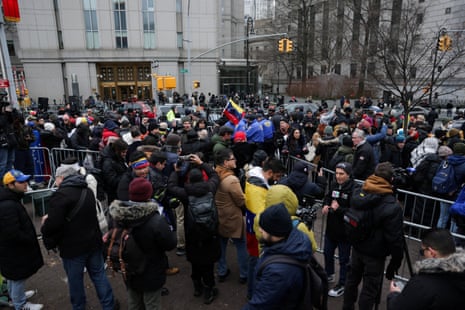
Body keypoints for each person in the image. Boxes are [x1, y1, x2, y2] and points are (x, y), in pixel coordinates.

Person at [41, 166, 115, 310]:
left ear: (61, 178)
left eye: (56, 177)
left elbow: (53, 224)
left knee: (75, 282)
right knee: (99, 276)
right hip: (92, 242)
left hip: (72, 248)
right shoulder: (86, 190)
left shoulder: (61, 195)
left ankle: (79, 307)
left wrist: (45, 224)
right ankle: (109, 305)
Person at [343, 162, 404, 310]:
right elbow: (395, 238)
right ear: (391, 180)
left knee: (351, 281)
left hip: (357, 246)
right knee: (369, 290)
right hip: (375, 255)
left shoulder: (361, 190)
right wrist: (395, 262)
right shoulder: (391, 205)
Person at [108, 177, 177, 309]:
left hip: (129, 268)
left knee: (134, 302)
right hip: (151, 270)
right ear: (148, 194)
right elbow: (170, 244)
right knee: (152, 304)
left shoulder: (118, 215)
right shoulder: (156, 220)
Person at [167, 155, 221, 304]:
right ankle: (209, 289)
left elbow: (171, 186)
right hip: (210, 233)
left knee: (195, 262)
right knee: (208, 265)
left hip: (193, 233)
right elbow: (214, 175)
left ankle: (197, 286)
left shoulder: (185, 194)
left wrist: (176, 171)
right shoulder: (210, 188)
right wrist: (202, 163)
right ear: (202, 179)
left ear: (189, 180)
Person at [243, 203, 312, 309]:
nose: (260, 230)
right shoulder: (295, 238)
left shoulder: (278, 272)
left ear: (274, 232)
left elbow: (259, 305)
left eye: (264, 228)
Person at [387, 229, 465, 310]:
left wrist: (394, 294)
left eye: (422, 251)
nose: (422, 255)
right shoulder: (461, 275)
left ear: (432, 252)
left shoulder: (422, 283)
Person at [0, 170, 44, 310]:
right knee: (17, 277)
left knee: (14, 277)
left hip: (12, 250)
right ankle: (20, 304)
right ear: (11, 185)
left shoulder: (11, 199)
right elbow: (13, 233)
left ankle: (17, 297)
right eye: (21, 182)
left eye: (25, 180)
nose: (25, 184)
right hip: (14, 250)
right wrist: (28, 239)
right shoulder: (8, 205)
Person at [214, 149, 248, 284]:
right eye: (233, 159)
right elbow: (240, 200)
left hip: (219, 215)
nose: (236, 160)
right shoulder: (231, 180)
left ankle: (222, 271)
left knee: (221, 245)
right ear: (225, 162)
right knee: (241, 244)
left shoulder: (215, 174)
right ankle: (244, 274)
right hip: (232, 217)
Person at [322, 162, 355, 298]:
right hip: (331, 229)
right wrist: (326, 205)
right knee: (327, 253)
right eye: (336, 173)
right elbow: (329, 197)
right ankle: (329, 274)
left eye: (341, 174)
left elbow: (354, 212)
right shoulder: (334, 184)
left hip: (345, 233)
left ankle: (342, 283)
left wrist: (339, 209)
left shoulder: (354, 189)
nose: (338, 176)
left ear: (348, 174)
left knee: (344, 260)